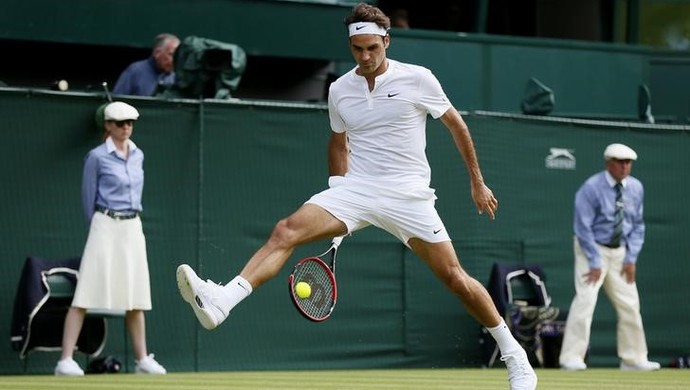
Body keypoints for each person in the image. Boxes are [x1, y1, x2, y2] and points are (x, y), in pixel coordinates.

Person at [175, 3, 537, 389]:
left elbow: (456, 125)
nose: (364, 57)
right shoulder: (339, 89)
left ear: (386, 41)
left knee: (454, 277)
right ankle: (223, 301)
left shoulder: (418, 79)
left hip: (407, 195)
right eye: (357, 49)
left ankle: (515, 357)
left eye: (372, 48)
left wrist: (476, 182)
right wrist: (337, 192)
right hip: (357, 189)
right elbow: (338, 143)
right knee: (286, 230)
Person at [55, 101, 166, 376]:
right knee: (85, 293)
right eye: (120, 123)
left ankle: (142, 360)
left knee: (136, 296)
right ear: (107, 125)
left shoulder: (138, 154)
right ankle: (65, 361)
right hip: (104, 223)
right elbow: (87, 198)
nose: (126, 127)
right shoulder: (96, 157)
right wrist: (99, 226)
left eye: (130, 122)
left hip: (132, 227)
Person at [559, 143, 660, 372]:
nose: (625, 167)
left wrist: (631, 257)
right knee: (586, 300)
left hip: (621, 253)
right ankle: (571, 358)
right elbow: (582, 228)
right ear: (609, 163)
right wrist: (595, 261)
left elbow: (637, 225)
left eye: (628, 163)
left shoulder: (636, 188)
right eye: (620, 162)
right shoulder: (591, 188)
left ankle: (633, 359)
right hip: (591, 249)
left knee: (630, 304)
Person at [112, 33, 180, 96]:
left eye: (178, 56)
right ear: (157, 53)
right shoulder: (135, 71)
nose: (175, 60)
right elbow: (117, 102)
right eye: (172, 55)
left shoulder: (176, 77)